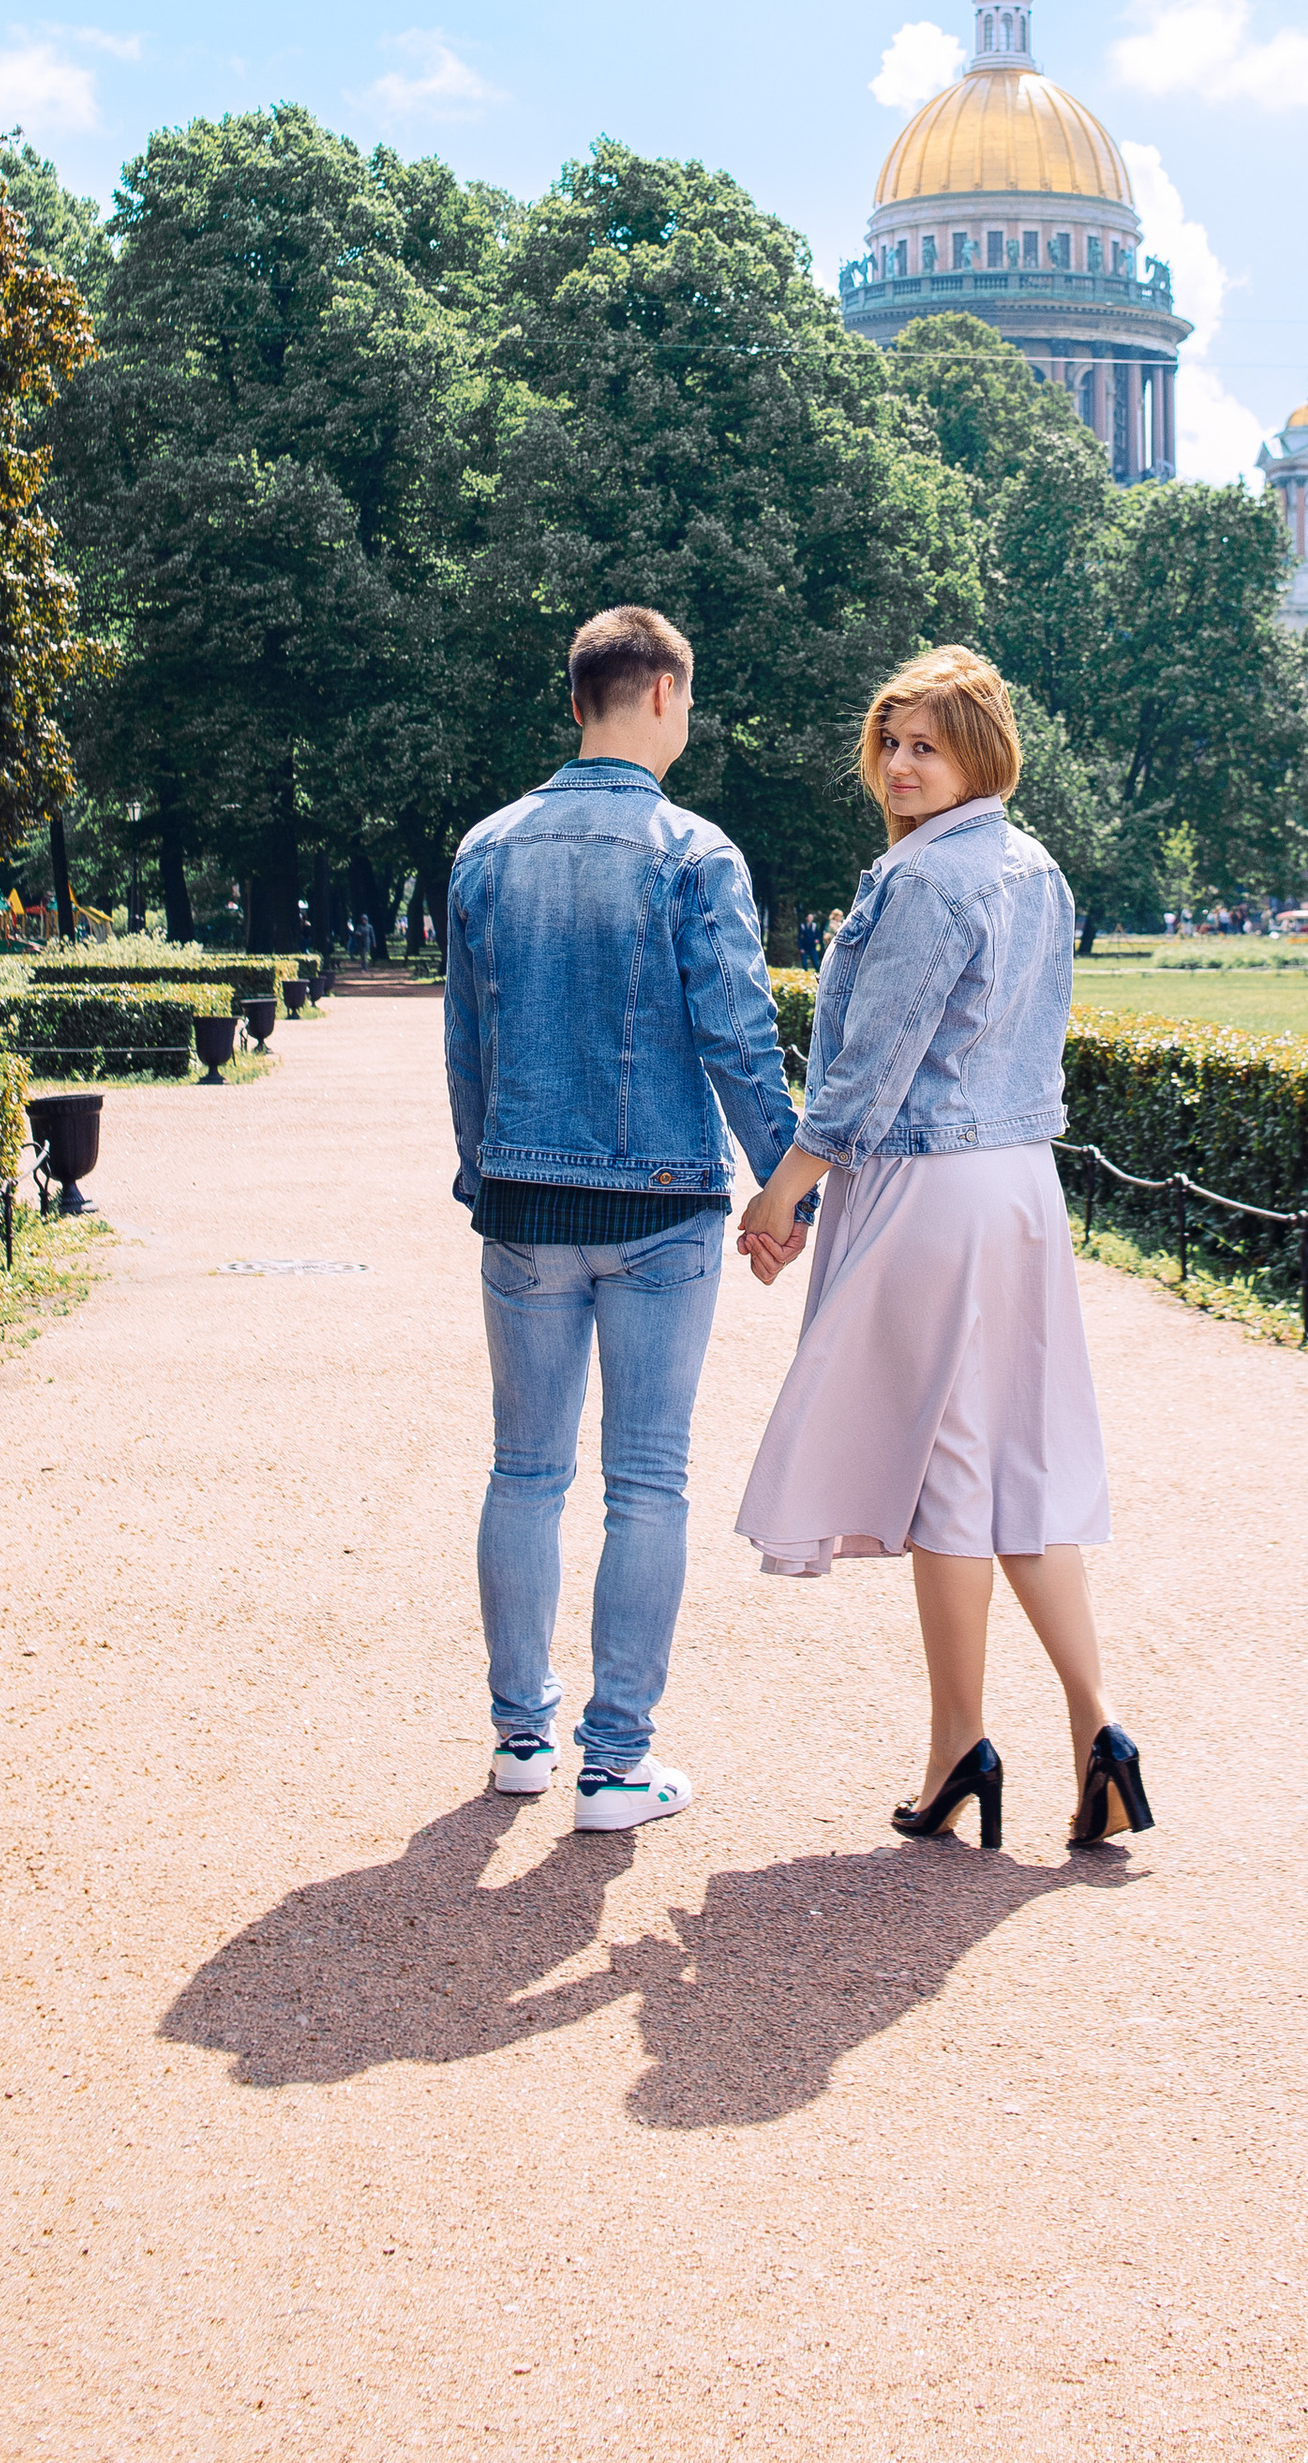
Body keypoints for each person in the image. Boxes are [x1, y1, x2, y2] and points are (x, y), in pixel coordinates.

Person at [731, 645, 1152, 1858]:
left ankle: (962, 1741)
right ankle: (1095, 1730)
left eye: (928, 744)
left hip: (931, 1186)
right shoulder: (1035, 868)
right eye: (892, 742)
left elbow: (872, 1060)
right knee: (1006, 1461)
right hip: (1017, 1184)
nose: (903, 764)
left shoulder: (926, 884)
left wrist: (784, 1193)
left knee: (955, 1473)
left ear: (981, 755)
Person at [443, 602, 802, 1831]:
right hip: (658, 1203)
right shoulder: (696, 852)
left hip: (525, 1200)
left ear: (579, 696)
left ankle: (519, 1740)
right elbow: (737, 1038)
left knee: (523, 1472)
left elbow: (467, 1047)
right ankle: (615, 1763)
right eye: (688, 701)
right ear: (660, 694)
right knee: (646, 1481)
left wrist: (480, 1176)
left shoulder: (485, 848)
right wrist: (782, 1184)